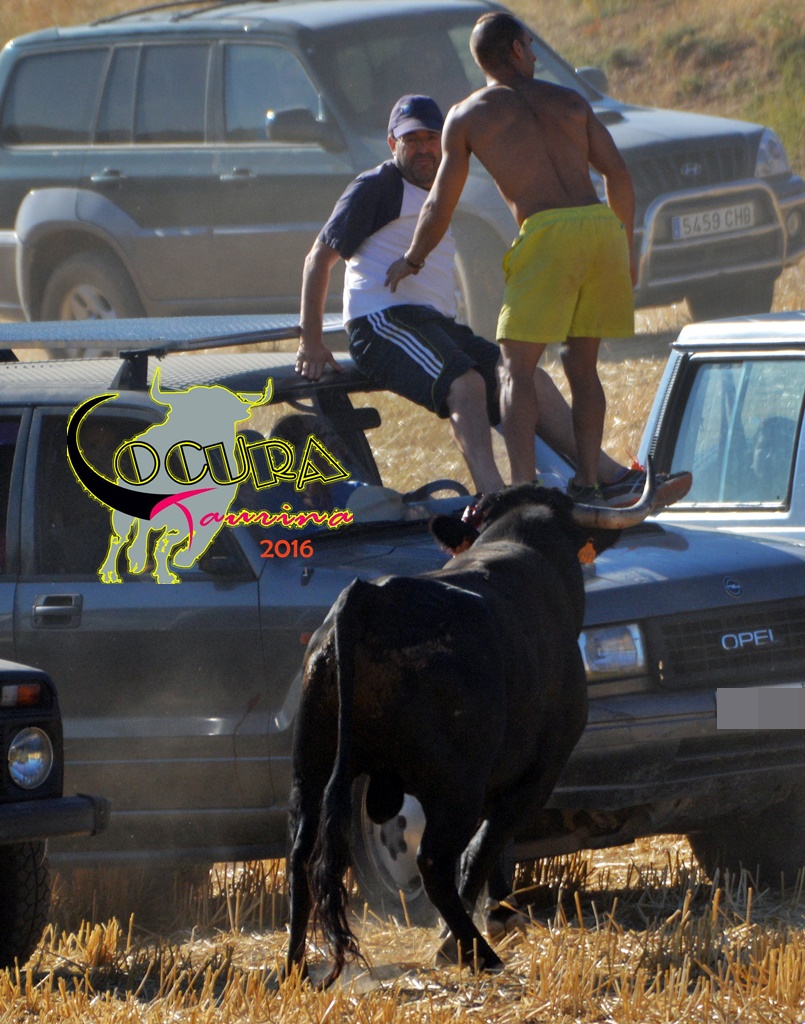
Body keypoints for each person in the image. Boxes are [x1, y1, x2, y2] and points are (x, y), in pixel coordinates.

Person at [295, 93, 648, 500]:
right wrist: (311, 341)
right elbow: (317, 259)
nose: (423, 148)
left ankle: (608, 476)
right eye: (411, 140)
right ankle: (497, 498)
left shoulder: (448, 182)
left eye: (431, 138)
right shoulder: (376, 187)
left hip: (435, 323)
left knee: (527, 378)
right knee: (465, 384)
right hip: (381, 321)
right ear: (393, 144)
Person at [385, 13, 637, 501]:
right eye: (530, 45)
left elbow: (439, 204)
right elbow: (619, 176)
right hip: (600, 229)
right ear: (517, 50)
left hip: (547, 232)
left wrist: (413, 258)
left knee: (515, 369)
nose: (536, 54)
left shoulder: (468, 115)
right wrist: (624, 247)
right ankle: (588, 480)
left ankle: (525, 488)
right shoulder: (570, 100)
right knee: (582, 365)